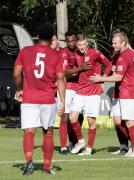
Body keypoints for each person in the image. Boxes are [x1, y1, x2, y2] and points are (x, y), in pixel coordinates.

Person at [13, 23, 66, 175]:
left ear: (37, 36)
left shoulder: (25, 51)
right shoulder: (56, 55)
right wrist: (62, 101)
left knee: (29, 132)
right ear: (51, 38)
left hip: (29, 99)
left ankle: (29, 160)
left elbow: (16, 75)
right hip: (48, 100)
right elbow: (61, 78)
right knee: (48, 133)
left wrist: (18, 90)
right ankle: (47, 167)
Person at [90, 31, 134, 157]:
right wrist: (105, 76)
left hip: (129, 92)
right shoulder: (119, 55)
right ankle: (131, 146)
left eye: (115, 43)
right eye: (112, 42)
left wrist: (101, 79)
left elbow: (118, 77)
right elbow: (115, 73)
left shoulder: (125, 56)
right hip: (120, 92)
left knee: (129, 121)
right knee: (117, 120)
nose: (112, 45)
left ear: (124, 43)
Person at [69, 33, 112, 155]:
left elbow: (109, 65)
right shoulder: (76, 54)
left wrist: (102, 78)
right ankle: (81, 141)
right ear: (76, 44)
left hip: (93, 91)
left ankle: (89, 149)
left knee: (91, 121)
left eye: (83, 44)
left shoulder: (95, 53)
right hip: (80, 90)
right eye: (79, 45)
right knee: (72, 117)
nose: (81, 47)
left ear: (87, 43)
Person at [57, 30, 91, 154]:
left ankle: (74, 142)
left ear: (77, 40)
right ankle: (63, 146)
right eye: (68, 41)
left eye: (73, 41)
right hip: (67, 87)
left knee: (78, 117)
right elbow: (64, 73)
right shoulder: (63, 53)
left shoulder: (82, 51)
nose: (71, 43)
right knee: (65, 117)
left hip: (81, 87)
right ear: (66, 41)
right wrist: (79, 69)